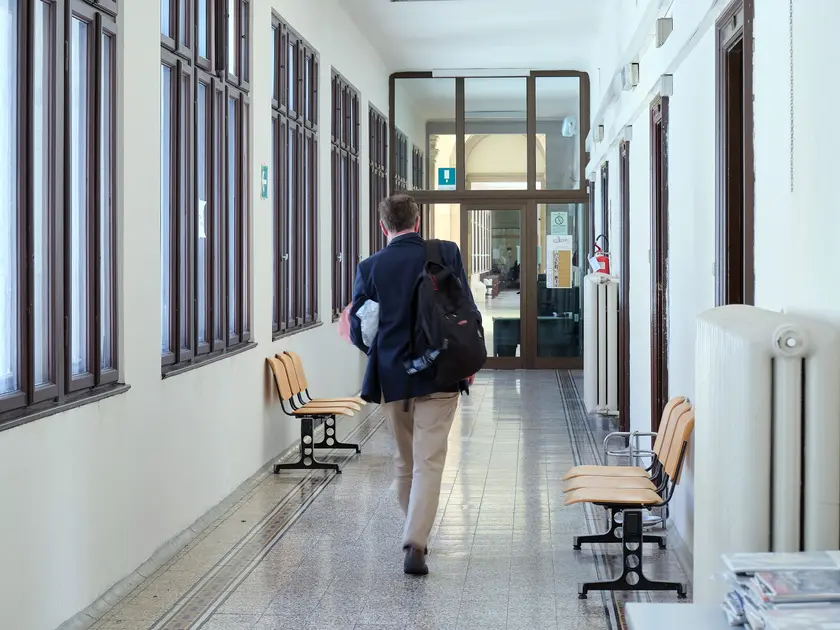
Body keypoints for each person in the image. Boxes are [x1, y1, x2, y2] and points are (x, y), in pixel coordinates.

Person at [338, 194, 480, 576]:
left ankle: (414, 533)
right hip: (442, 372)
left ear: (384, 226)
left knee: (404, 462)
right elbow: (466, 308)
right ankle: (415, 541)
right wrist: (468, 360)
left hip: (392, 378)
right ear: (418, 222)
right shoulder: (446, 253)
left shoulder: (370, 267)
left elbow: (359, 330)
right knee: (430, 462)